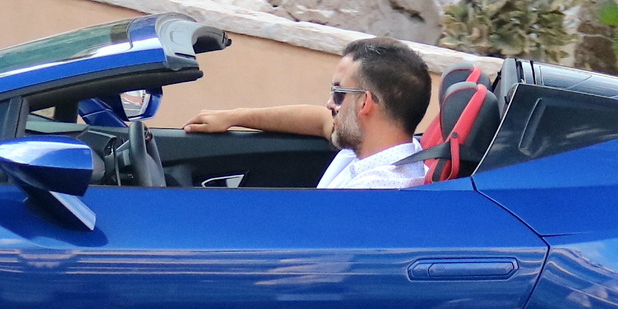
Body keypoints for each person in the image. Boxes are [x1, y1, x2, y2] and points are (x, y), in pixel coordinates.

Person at [181, 37, 433, 190]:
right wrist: (234, 117)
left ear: (364, 104)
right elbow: (319, 120)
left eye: (338, 93)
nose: (329, 104)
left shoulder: (376, 191)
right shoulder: (379, 143)